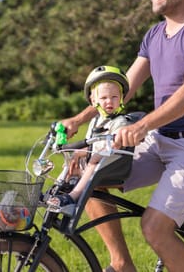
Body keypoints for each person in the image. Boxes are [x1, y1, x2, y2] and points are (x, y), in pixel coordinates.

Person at [62, 0, 184, 272]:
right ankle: (122, 263)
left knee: (154, 228)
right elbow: (122, 88)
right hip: (162, 138)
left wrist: (142, 127)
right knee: (95, 178)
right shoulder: (154, 35)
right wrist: (79, 119)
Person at [47, 66, 131, 210]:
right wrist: (79, 152)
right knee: (71, 161)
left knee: (93, 160)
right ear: (94, 100)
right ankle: (57, 190)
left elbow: (116, 144)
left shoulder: (120, 122)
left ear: (121, 98)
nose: (109, 102)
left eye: (114, 97)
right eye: (104, 98)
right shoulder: (96, 121)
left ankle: (72, 196)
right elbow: (90, 143)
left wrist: (90, 153)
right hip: (99, 160)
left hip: (113, 163)